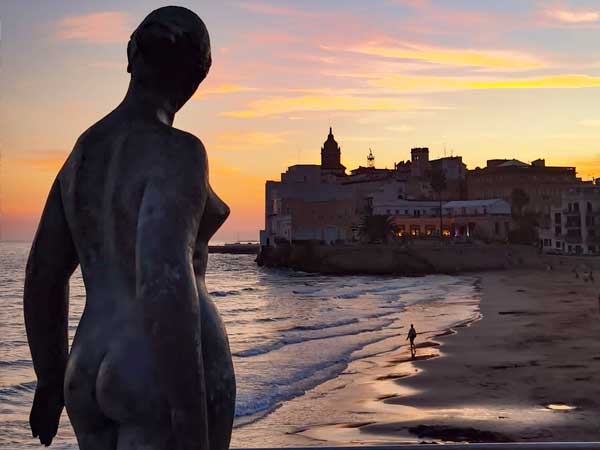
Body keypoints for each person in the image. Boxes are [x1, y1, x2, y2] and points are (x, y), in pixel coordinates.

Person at [23, 7, 235, 450]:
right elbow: (162, 277)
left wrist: (50, 377)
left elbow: (44, 272)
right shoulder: (179, 152)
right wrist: (189, 414)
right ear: (198, 78)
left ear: (130, 56)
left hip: (86, 361)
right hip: (153, 369)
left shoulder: (82, 154)